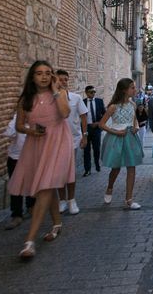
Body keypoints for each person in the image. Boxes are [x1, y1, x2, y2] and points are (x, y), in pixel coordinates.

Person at [8, 60, 75, 259]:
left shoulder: (59, 94)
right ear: (32, 76)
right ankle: (57, 223)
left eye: (48, 73)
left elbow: (65, 113)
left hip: (59, 142)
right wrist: (31, 131)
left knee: (45, 187)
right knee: (49, 185)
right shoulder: (25, 99)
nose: (44, 77)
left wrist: (56, 90)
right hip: (37, 143)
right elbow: (20, 125)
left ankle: (29, 241)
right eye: (39, 73)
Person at [100, 78, 143, 209]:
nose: (135, 90)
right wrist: (115, 132)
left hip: (130, 137)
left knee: (132, 167)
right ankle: (109, 187)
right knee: (116, 167)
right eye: (132, 87)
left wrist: (136, 127)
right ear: (124, 90)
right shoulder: (113, 107)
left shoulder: (133, 105)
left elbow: (134, 121)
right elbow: (102, 124)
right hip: (117, 137)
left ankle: (129, 199)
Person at [55, 70, 88, 215]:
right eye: (60, 80)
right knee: (59, 172)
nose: (63, 82)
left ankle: (71, 200)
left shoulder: (76, 98)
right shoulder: (51, 99)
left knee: (70, 171)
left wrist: (85, 135)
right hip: (55, 141)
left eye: (65, 80)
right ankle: (61, 200)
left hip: (72, 140)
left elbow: (83, 117)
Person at [3, 113, 36, 230]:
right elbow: (9, 133)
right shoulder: (17, 119)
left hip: (32, 157)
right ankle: (17, 214)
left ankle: (31, 206)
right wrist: (17, 120)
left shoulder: (37, 119)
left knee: (32, 183)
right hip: (15, 158)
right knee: (16, 187)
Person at [83, 85, 105, 176]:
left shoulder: (99, 101)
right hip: (86, 128)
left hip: (96, 129)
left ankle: (97, 164)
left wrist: (98, 123)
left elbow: (104, 114)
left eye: (94, 92)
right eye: (91, 92)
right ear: (86, 93)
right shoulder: (82, 102)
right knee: (86, 150)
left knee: (96, 148)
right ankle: (87, 169)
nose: (93, 94)